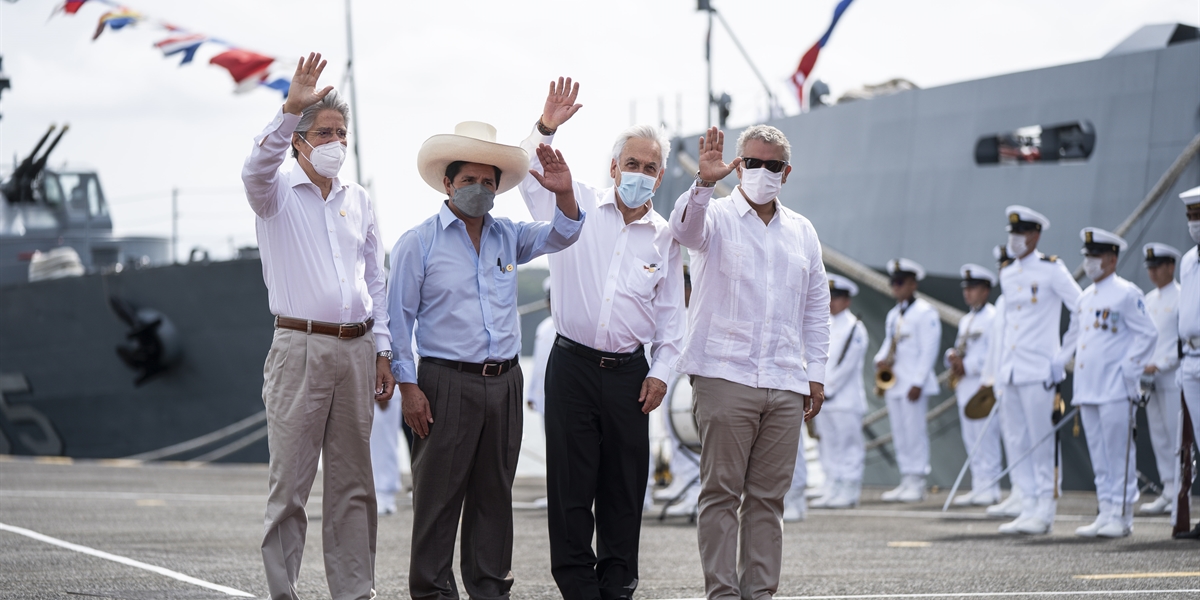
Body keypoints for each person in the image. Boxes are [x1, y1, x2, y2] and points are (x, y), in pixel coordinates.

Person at [388, 120, 583, 600]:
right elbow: (398, 321)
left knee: (495, 496)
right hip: (444, 382)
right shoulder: (418, 242)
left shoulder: (508, 237)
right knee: (438, 499)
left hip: (505, 382)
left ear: (498, 189)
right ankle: (433, 592)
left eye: (488, 181)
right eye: (469, 180)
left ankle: (490, 589)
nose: (479, 189)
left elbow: (563, 235)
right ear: (448, 183)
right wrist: (408, 388)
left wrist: (564, 194)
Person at [517, 77, 685, 600]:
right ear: (614, 167)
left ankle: (618, 585)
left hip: (630, 374)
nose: (638, 174)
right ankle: (577, 587)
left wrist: (661, 374)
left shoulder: (665, 236)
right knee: (570, 488)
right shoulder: (574, 202)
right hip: (571, 367)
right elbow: (525, 178)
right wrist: (545, 126)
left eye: (649, 167)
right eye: (630, 164)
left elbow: (673, 318)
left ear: (659, 177)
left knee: (624, 488)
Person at [241, 53, 393, 600]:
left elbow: (377, 282)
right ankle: (284, 592)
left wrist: (384, 350)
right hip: (298, 346)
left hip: (355, 351)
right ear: (300, 140)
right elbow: (254, 170)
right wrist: (289, 109)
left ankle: (354, 592)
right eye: (325, 131)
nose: (336, 141)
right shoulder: (275, 194)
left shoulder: (361, 201)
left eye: (342, 133)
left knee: (354, 484)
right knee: (291, 485)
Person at [669, 125, 830, 600]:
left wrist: (815, 375)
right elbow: (683, 231)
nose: (762, 172)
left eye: (772, 165)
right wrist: (702, 182)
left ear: (787, 172)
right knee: (720, 494)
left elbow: (816, 308)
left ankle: (759, 594)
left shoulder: (803, 231)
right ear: (738, 166)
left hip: (784, 380)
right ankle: (721, 594)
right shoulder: (714, 215)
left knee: (768, 500)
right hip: (724, 375)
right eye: (752, 163)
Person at [1057, 228, 1156, 538]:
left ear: (1112, 260)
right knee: (1099, 454)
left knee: (1118, 453)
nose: (1090, 262)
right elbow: (1073, 336)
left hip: (1115, 388)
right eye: (1087, 256)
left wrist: (1130, 367)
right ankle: (1106, 510)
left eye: (1095, 256)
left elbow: (1148, 333)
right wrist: (1057, 362)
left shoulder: (1127, 293)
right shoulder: (1085, 297)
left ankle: (1123, 515)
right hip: (1088, 388)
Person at [995, 206, 1082, 535]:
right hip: (1012, 371)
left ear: (1035, 235)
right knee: (1017, 439)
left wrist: (1061, 356)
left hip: (1039, 370)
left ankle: (1045, 508)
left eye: (1020, 234)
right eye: (1011, 233)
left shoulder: (1052, 270)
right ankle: (1028, 503)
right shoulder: (1008, 272)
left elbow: (1082, 307)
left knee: (1041, 440)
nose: (1014, 239)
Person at [875, 259, 941, 502]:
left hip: (913, 383)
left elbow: (929, 349)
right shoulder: (894, 314)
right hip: (895, 383)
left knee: (915, 432)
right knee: (900, 432)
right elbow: (888, 343)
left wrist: (918, 381)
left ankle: (918, 480)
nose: (895, 287)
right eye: (893, 282)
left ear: (913, 284)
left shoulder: (925, 313)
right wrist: (880, 360)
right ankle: (906, 479)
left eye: (900, 282)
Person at [801, 274, 868, 512]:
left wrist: (825, 388)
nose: (832, 302)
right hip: (825, 399)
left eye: (837, 297)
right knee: (827, 446)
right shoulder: (824, 325)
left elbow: (847, 366)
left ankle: (849, 489)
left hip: (845, 400)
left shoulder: (855, 328)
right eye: (830, 296)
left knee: (848, 446)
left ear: (847, 301)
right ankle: (832, 486)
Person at [946, 264, 1002, 507]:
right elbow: (964, 348)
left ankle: (991, 487)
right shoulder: (967, 319)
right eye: (966, 288)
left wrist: (967, 365)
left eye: (973, 288)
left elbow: (992, 353)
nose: (967, 292)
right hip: (965, 385)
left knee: (985, 436)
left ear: (986, 290)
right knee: (971, 438)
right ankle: (979, 484)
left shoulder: (992, 318)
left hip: (982, 384)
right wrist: (953, 357)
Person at [654, 266, 702, 518]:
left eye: (685, 286)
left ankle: (695, 490)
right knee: (675, 439)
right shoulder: (674, 313)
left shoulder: (698, 313)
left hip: (686, 388)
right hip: (670, 390)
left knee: (694, 442)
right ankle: (682, 483)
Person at [980, 245, 1024, 518]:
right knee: (1012, 438)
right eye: (1001, 266)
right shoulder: (1002, 303)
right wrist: (991, 380)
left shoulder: (1021, 301)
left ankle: (1027, 495)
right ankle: (1019, 491)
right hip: (1003, 382)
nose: (1004, 270)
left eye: (1008, 264)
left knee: (1024, 438)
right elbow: (996, 347)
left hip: (1023, 379)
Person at [1139, 242, 1182, 515]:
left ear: (1171, 267)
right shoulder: (1147, 299)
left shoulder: (1183, 296)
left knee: (1176, 435)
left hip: (1173, 376)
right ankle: (1168, 487)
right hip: (1150, 378)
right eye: (1150, 268)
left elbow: (1185, 339)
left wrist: (1163, 363)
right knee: (1158, 435)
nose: (1153, 273)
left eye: (1158, 267)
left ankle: (1180, 490)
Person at [1174, 186, 1200, 540]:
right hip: (1191, 359)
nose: (1195, 223)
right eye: (1191, 216)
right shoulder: (1188, 260)